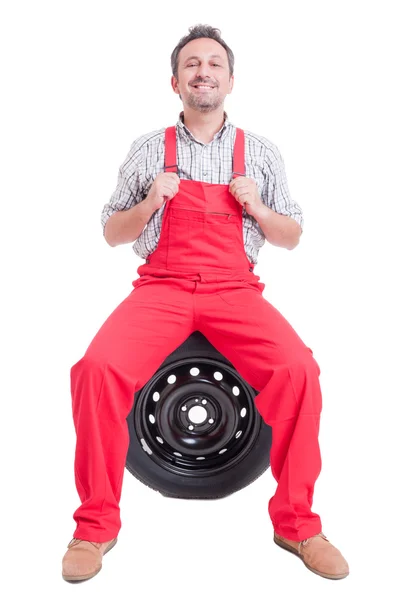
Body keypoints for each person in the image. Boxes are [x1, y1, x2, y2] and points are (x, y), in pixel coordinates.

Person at [62, 24, 349, 583]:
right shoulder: (149, 149)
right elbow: (112, 234)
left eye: (214, 64)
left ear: (230, 80)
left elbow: (291, 235)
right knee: (96, 371)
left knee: (299, 371)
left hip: (234, 288)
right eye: (192, 64)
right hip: (162, 286)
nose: (203, 72)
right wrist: (149, 202)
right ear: (175, 82)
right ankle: (94, 527)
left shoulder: (260, 152)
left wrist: (260, 210)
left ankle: (297, 524)